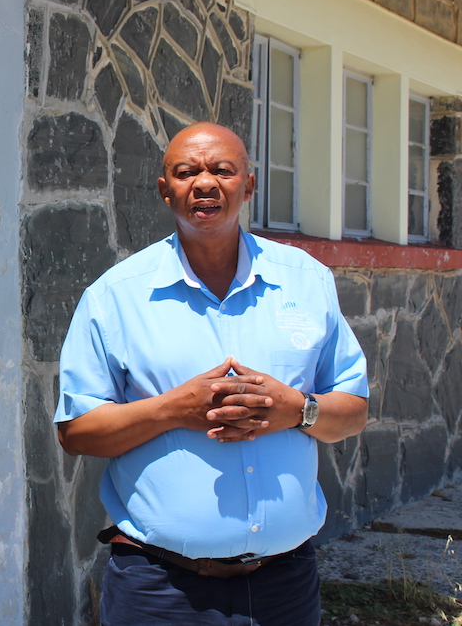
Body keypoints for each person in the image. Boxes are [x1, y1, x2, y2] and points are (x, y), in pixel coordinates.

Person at [54, 122, 369, 625]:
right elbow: (76, 432)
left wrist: (297, 410)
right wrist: (172, 410)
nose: (204, 183)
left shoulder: (308, 282)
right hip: (160, 590)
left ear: (248, 184)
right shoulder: (114, 298)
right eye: (186, 172)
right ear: (165, 190)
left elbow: (352, 413)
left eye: (222, 170)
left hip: (285, 586)